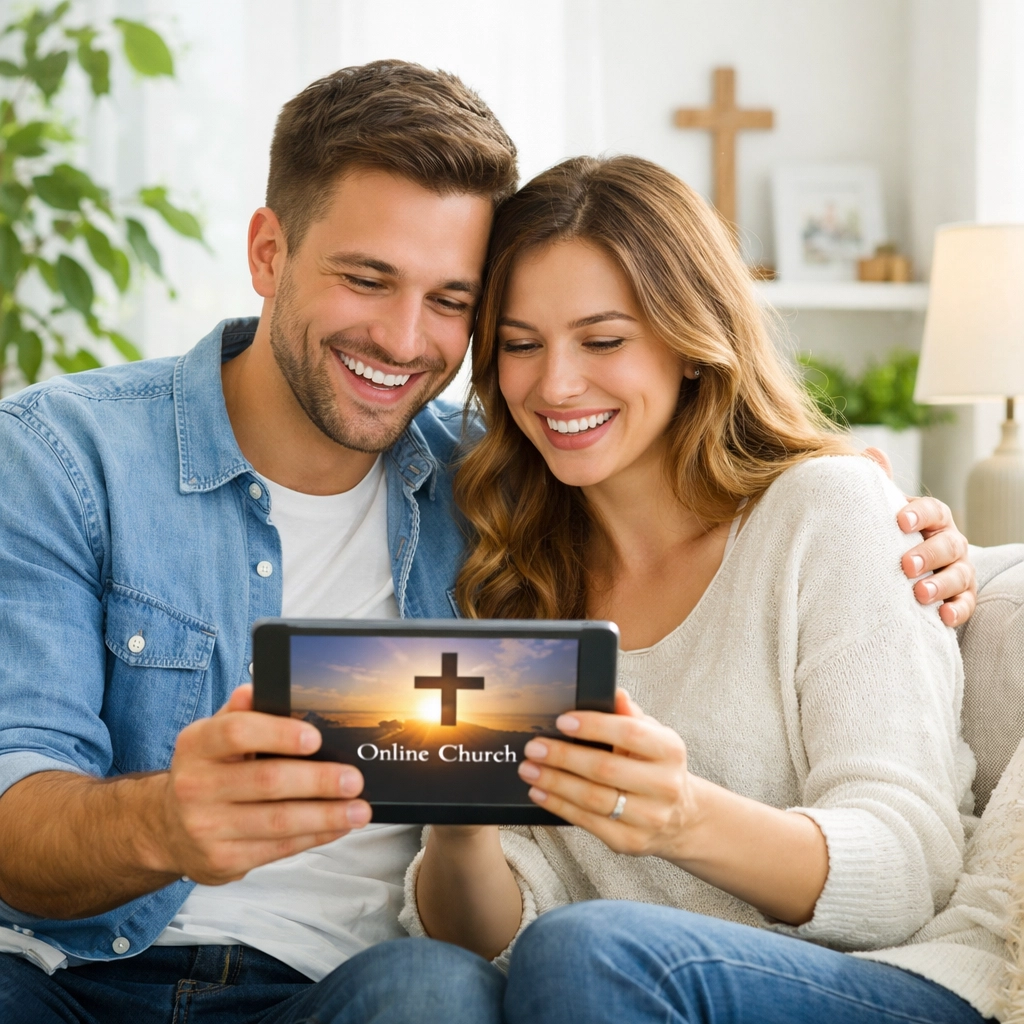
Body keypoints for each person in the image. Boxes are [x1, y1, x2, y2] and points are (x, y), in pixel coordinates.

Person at [0, 62, 973, 1022]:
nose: (403, 337)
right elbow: (16, 789)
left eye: (451, 301)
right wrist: (167, 818)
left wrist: (900, 523)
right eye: (367, 278)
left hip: (350, 986)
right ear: (268, 252)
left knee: (436, 989)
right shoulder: (70, 460)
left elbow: (734, 486)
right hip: (62, 970)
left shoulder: (492, 499)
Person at [406, 156, 999, 1023]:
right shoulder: (513, 582)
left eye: (604, 340)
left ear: (690, 342)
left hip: (883, 980)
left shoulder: (823, 512)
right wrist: (457, 824)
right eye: (520, 345)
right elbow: (489, 937)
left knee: (587, 951)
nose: (555, 384)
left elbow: (909, 870)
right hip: (601, 986)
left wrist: (680, 817)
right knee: (434, 981)